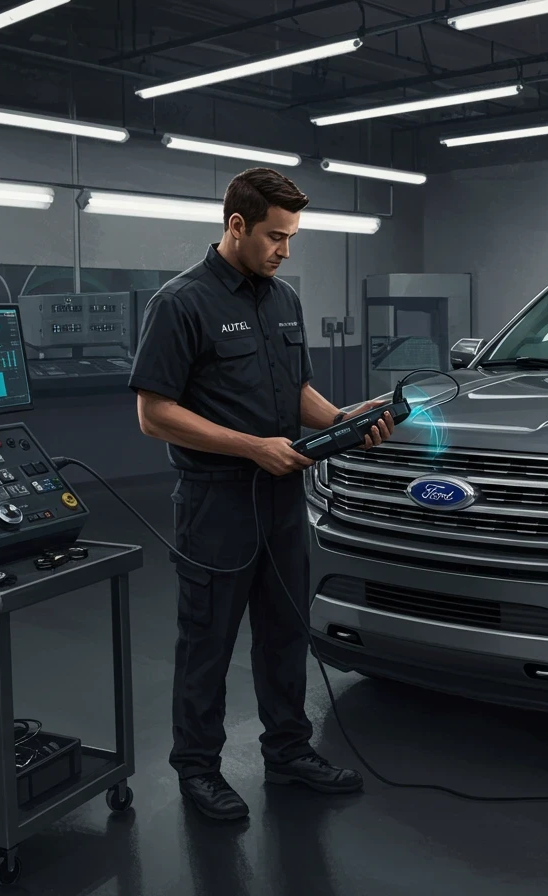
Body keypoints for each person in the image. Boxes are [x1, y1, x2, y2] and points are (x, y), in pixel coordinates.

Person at [128, 167, 394, 821]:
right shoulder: (180, 303)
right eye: (276, 236)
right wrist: (252, 447)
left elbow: (294, 391)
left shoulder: (283, 300)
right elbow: (154, 414)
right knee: (208, 640)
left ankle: (288, 751)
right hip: (215, 501)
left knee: (284, 633)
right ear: (237, 225)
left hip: (282, 496)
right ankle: (198, 769)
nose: (285, 250)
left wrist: (342, 420)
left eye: (292, 237)